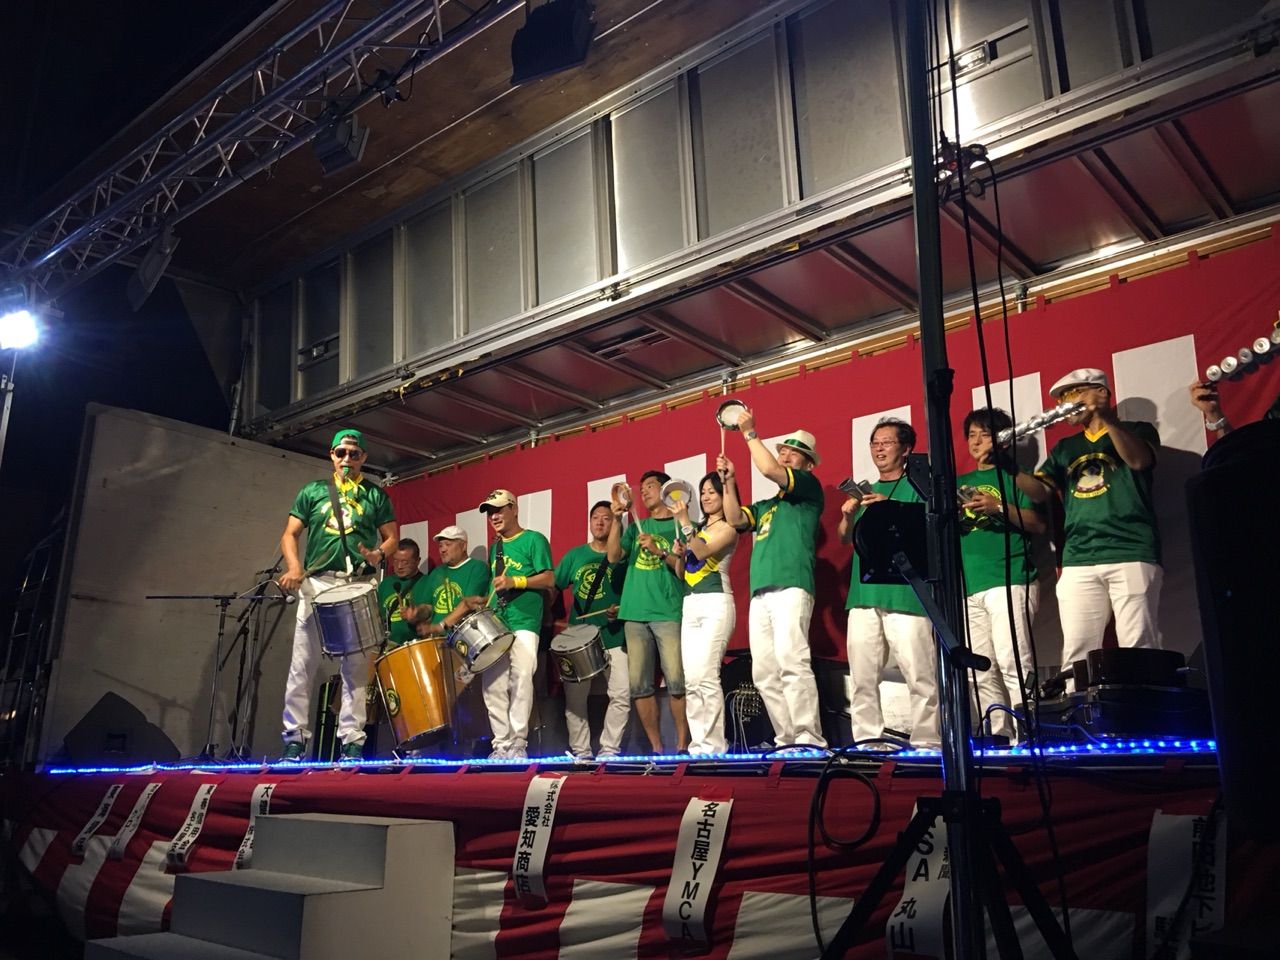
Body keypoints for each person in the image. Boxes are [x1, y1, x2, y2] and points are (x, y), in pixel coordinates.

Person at [1011, 368, 1162, 682]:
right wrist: (1011, 468)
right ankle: (1078, 710)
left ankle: (1140, 709)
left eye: (1072, 394)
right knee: (1077, 651)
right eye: (1062, 399)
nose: (1065, 404)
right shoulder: (1064, 447)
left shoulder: (1137, 429)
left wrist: (1106, 418)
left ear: (1101, 392)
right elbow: (1039, 492)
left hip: (1131, 549)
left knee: (1138, 644)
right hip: (1078, 556)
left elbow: (1138, 461)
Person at [277, 429, 398, 761]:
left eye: (354, 454)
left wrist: (378, 554)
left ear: (364, 458)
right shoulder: (314, 491)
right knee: (302, 664)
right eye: (341, 453)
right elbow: (289, 534)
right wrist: (294, 566)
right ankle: (294, 738)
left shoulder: (375, 495)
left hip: (356, 583)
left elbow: (392, 538)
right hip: (316, 584)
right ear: (331, 455)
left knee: (355, 668)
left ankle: (352, 740)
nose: (347, 459)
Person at [720, 410, 828, 752]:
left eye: (794, 453)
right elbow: (735, 519)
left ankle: (809, 738)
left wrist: (750, 433)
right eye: (783, 450)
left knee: (792, 661)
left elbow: (768, 469)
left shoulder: (808, 488)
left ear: (808, 464)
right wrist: (728, 482)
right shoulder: (768, 505)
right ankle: (786, 739)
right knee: (764, 672)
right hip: (761, 593)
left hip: (792, 585)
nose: (785, 456)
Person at [838, 418, 938, 750]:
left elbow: (929, 530)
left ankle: (928, 742)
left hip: (907, 594)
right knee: (863, 677)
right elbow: (844, 539)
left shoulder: (920, 486)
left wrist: (890, 507)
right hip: (864, 595)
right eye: (875, 443)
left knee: (920, 674)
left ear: (906, 449)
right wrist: (847, 516)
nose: (879, 449)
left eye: (887, 442)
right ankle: (868, 741)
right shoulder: (865, 491)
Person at [956, 408, 1045, 742]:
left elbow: (1038, 524)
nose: (978, 442)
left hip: (1010, 578)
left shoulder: (1016, 477)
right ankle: (998, 734)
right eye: (972, 435)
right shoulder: (958, 483)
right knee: (980, 668)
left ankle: (1029, 732)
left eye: (986, 434)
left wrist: (998, 508)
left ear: (1004, 440)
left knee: (1013, 659)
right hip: (969, 585)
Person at [607, 471, 689, 754]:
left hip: (668, 611)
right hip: (635, 613)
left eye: (650, 486)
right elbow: (613, 556)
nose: (644, 492)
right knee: (640, 685)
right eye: (641, 488)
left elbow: (684, 571)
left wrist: (658, 551)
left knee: (677, 680)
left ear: (666, 490)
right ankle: (656, 748)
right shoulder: (635, 528)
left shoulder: (681, 525)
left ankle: (682, 744)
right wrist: (616, 519)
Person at [479, 489, 554, 761]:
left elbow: (549, 579)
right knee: (493, 684)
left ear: (514, 509)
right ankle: (500, 744)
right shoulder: (495, 547)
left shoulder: (534, 539)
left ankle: (518, 743)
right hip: (498, 622)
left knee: (521, 677)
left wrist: (516, 581)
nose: (494, 516)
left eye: (499, 510)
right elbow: (496, 585)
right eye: (490, 512)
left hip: (524, 620)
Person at [552, 501, 630, 760]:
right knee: (575, 699)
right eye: (595, 517)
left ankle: (609, 749)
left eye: (606, 518)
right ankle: (581, 752)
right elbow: (554, 586)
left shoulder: (623, 556)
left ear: (615, 523)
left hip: (614, 635)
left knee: (621, 694)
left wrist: (621, 608)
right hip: (579, 639)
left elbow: (633, 590)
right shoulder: (574, 556)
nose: (599, 522)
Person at [671, 471, 738, 756]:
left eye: (712, 491)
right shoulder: (697, 528)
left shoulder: (729, 527)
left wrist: (686, 525)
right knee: (692, 679)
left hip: (715, 603)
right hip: (691, 603)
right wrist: (677, 555)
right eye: (703, 492)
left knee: (707, 676)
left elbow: (701, 552)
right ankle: (698, 746)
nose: (706, 497)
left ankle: (714, 746)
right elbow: (683, 571)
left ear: (725, 495)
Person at [407, 526, 490, 641]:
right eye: (440, 545)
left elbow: (468, 604)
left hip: (465, 638)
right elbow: (429, 607)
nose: (443, 550)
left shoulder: (477, 567)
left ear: (463, 546)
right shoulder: (437, 572)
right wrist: (417, 612)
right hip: (438, 640)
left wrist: (440, 626)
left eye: (448, 544)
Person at [377, 539, 432, 651]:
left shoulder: (428, 582)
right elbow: (378, 617)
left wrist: (417, 614)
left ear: (417, 561)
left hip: (416, 646)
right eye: (395, 561)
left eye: (405, 562)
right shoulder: (385, 584)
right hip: (388, 647)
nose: (399, 566)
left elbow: (429, 610)